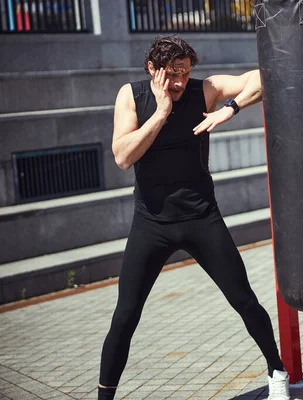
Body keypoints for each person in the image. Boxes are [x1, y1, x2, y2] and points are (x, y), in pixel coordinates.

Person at [97, 35, 290, 400]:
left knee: (244, 300)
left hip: (202, 217)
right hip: (151, 223)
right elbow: (123, 157)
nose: (180, 83)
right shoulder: (131, 96)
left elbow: (267, 76)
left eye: (185, 73)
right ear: (152, 70)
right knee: (124, 316)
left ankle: (277, 372)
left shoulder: (206, 90)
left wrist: (228, 108)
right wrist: (161, 112)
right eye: (172, 74)